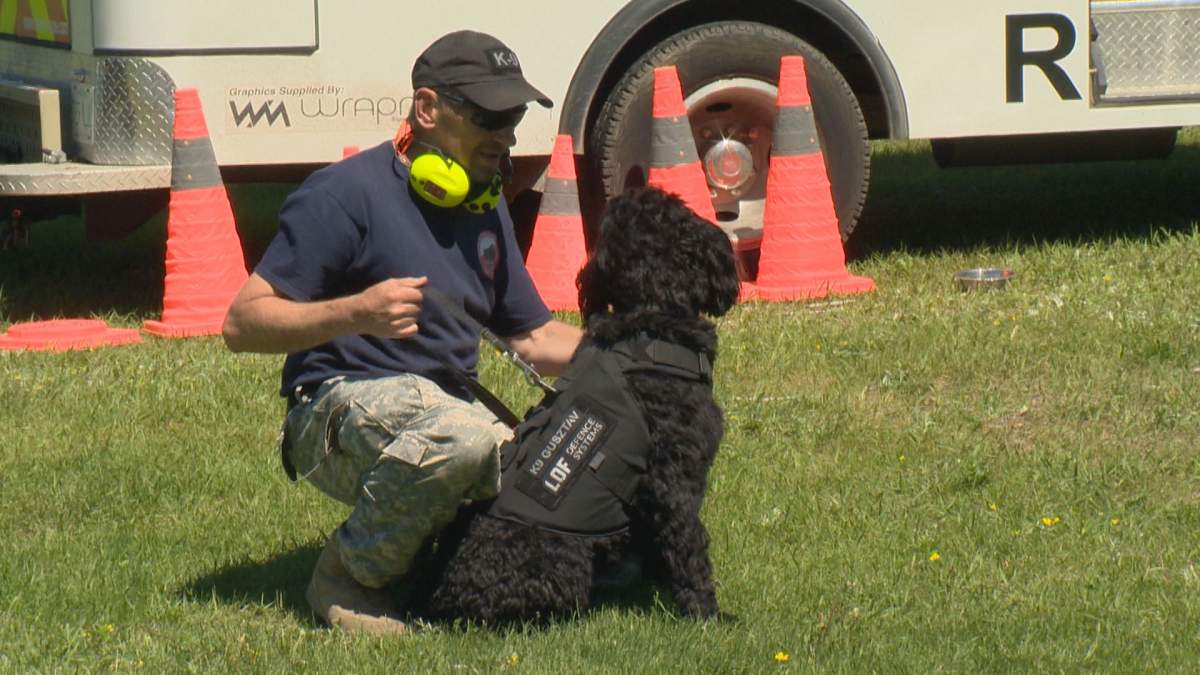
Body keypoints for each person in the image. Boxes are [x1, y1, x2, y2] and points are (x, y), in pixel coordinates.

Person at [222, 30, 583, 635]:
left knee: (546, 465)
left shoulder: (483, 201)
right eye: (490, 115)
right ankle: (349, 578)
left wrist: (630, 354)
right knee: (463, 440)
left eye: (514, 116)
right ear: (427, 109)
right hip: (334, 410)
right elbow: (241, 323)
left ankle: (421, 569)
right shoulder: (343, 195)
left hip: (444, 407)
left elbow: (532, 337)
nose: (507, 134)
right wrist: (355, 312)